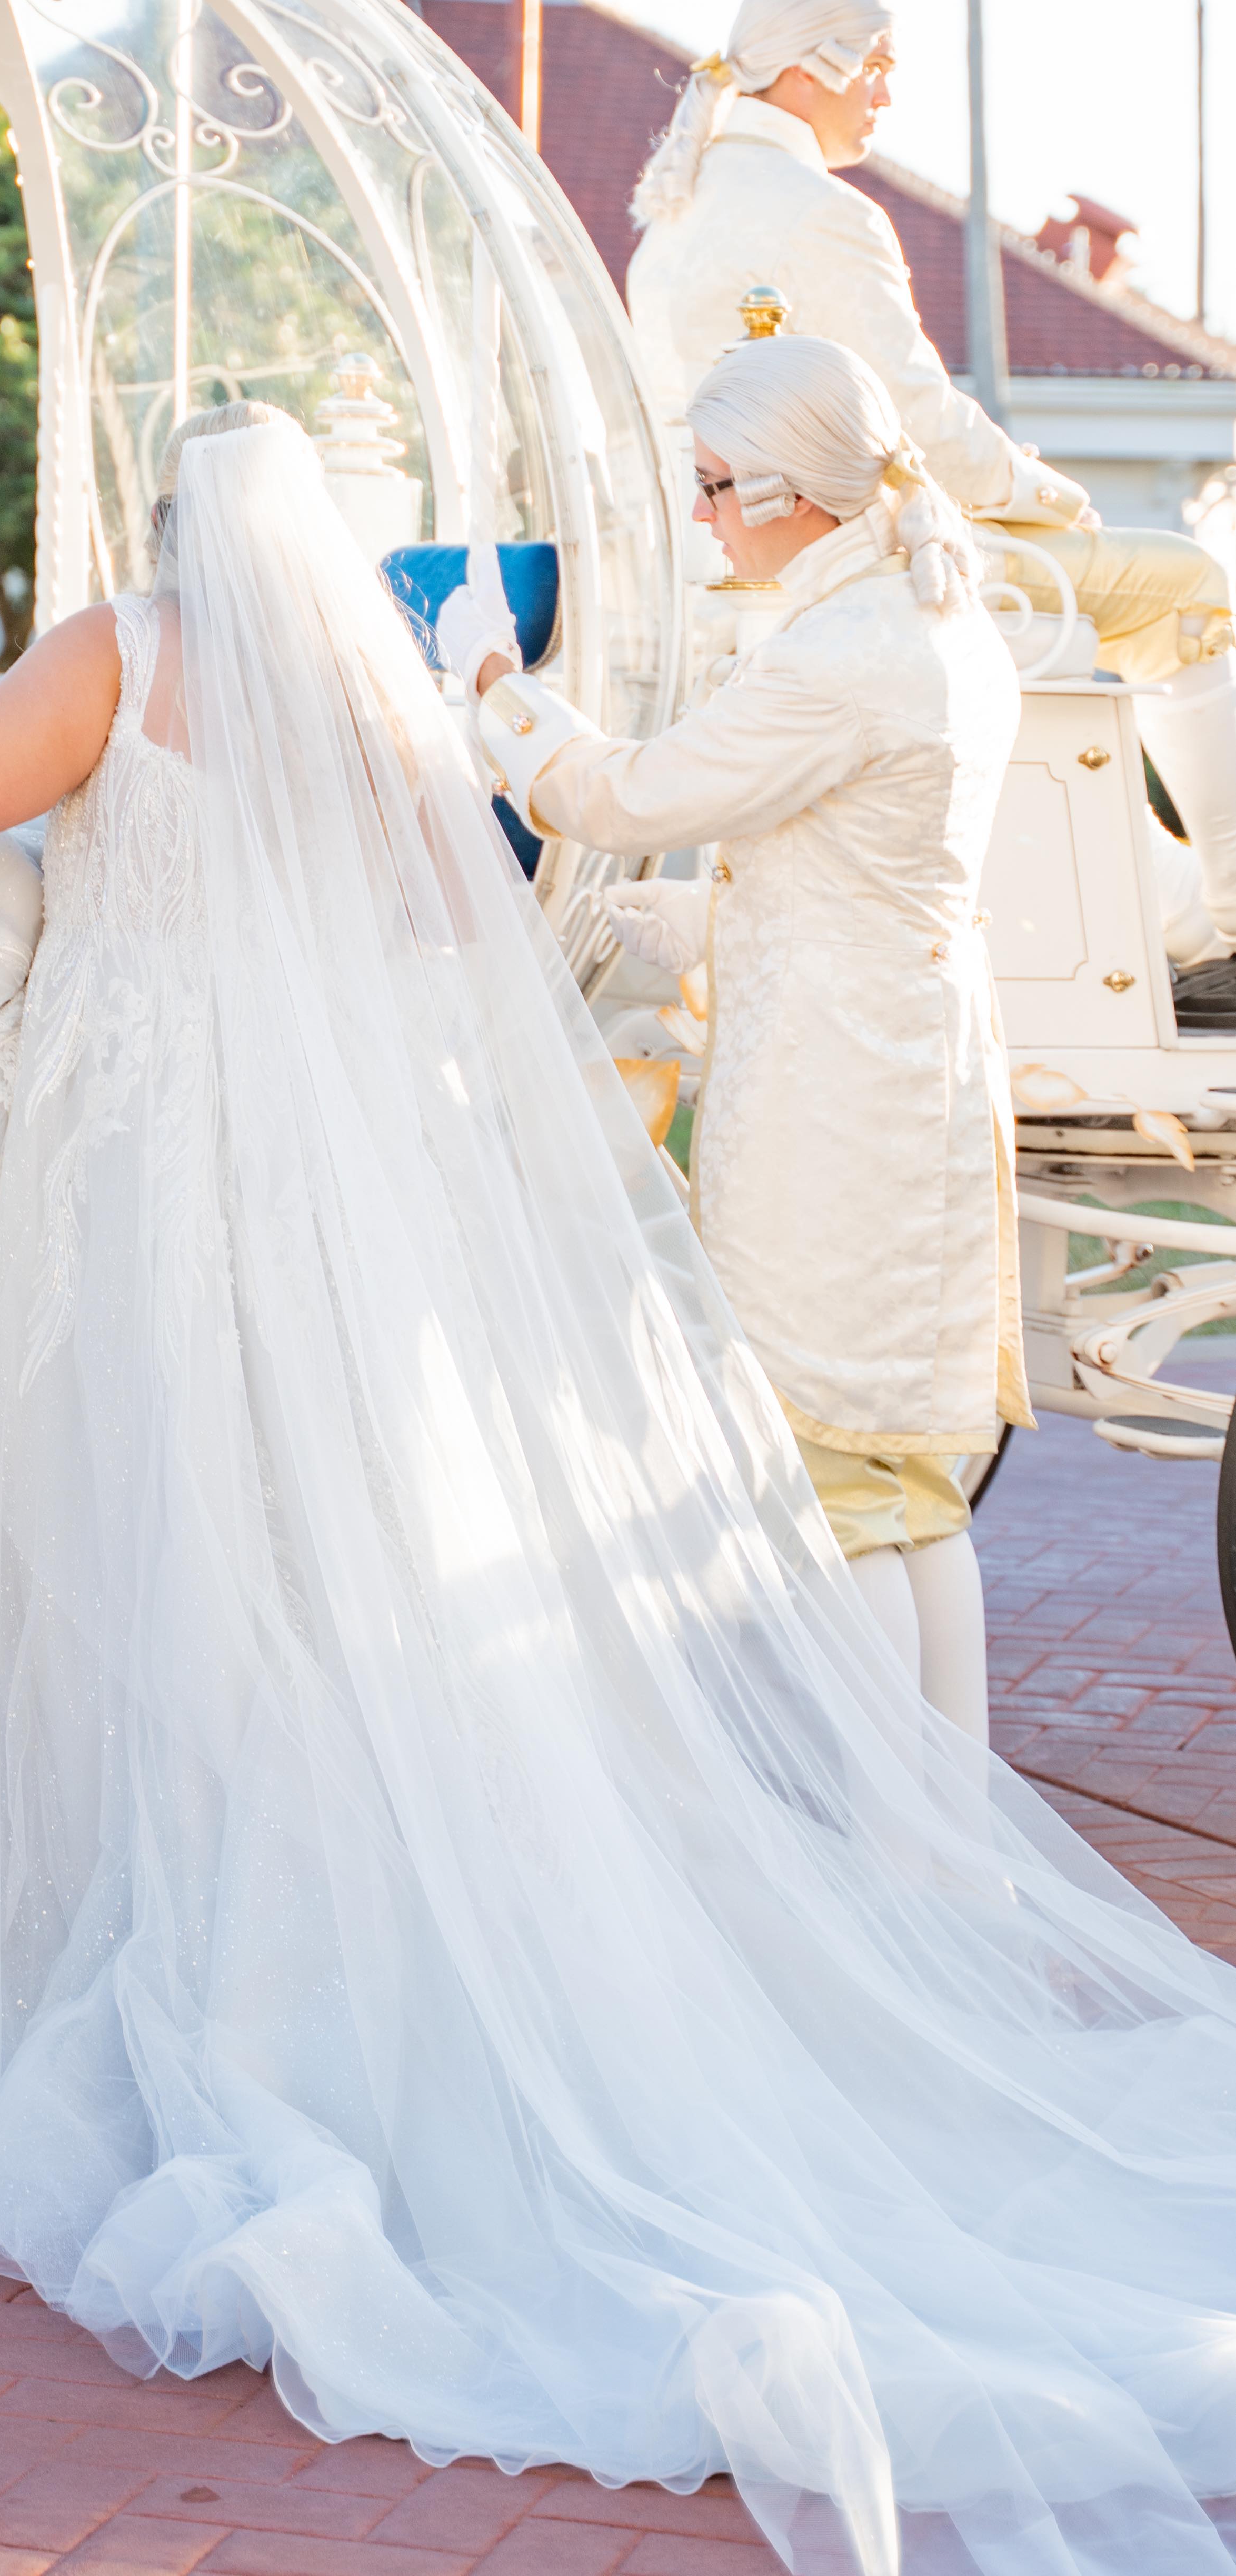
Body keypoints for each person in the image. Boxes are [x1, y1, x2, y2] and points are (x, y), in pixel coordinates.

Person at [0, 397, 1236, 2576]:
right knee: (347, 1548)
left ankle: (198, 1929)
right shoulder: (360, 689)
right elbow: (470, 921)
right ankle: (363, 1895)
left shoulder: (124, 644)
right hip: (350, 1200)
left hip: (158, 1174)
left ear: (167, 530)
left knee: (151, 1550)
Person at [439, 334, 1023, 1741]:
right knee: (912, 1482)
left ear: (783, 493)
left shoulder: (840, 652)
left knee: (835, 1482)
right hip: (907, 1061)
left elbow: (617, 793)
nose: (698, 517)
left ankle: (896, 1859)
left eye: (708, 487)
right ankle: (944, 1851)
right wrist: (704, 926)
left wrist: (487, 684)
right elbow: (873, 864)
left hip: (841, 1094)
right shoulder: (932, 616)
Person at [626, 0, 1236, 953]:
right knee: (1192, 587)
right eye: (875, 64)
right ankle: (1226, 916)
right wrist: (1041, 490)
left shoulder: (674, 218)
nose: (886, 93)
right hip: (860, 564)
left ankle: (1176, 915)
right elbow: (914, 414)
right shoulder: (820, 212)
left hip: (724, 561)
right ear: (805, 72)